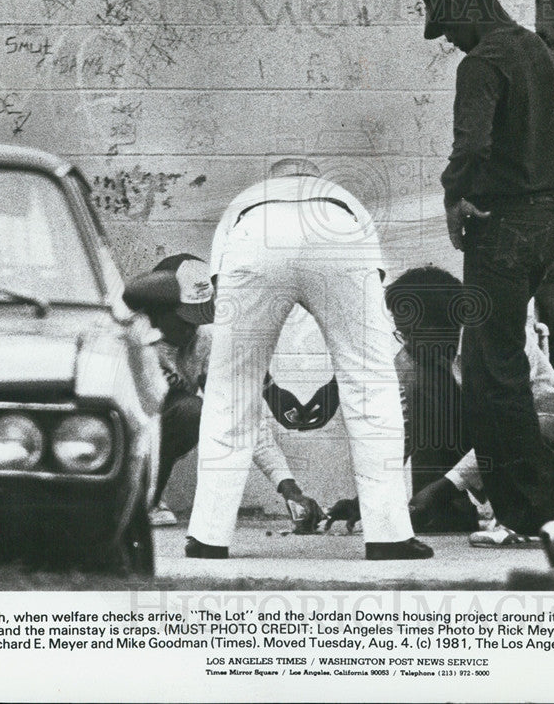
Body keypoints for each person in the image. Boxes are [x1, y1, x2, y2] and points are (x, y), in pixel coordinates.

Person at [185, 158, 432, 560]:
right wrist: (340, 384)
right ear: (313, 179)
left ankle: (208, 536)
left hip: (253, 236)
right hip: (340, 234)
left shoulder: (248, 199)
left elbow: (219, 291)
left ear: (275, 181)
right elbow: (373, 293)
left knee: (231, 387)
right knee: (370, 381)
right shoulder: (341, 197)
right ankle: (389, 535)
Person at [420, 0, 554, 537]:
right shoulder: (540, 52)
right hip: (544, 224)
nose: (452, 41)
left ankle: (534, 509)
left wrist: (453, 198)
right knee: (494, 367)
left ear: (469, 6)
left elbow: (472, 145)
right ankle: (522, 508)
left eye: (450, 27)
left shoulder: (483, 64)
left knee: (495, 376)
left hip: (500, 228)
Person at [325, 266, 554, 540]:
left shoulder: (498, 341)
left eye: (415, 333)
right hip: (486, 435)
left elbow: (508, 425)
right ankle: (447, 511)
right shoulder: (414, 359)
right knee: (417, 382)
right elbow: (401, 430)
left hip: (549, 433)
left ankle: (534, 508)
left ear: (448, 323)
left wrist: (444, 486)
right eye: (402, 333)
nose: (409, 344)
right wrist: (368, 500)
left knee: (530, 426)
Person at [123, 253, 331, 533]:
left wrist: (290, 489)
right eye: (184, 318)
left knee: (191, 411)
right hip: (116, 438)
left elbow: (240, 412)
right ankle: (123, 495)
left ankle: (147, 499)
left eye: (198, 318)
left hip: (161, 429)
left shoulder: (204, 339)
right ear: (156, 309)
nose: (192, 327)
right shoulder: (129, 336)